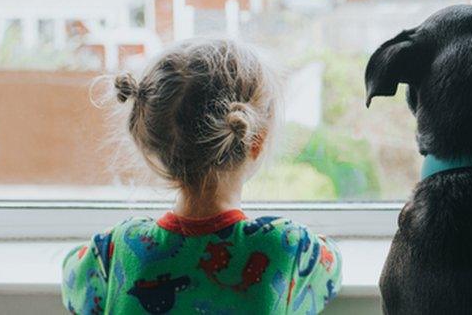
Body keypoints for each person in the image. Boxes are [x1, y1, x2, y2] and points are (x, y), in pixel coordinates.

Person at [61, 38, 341, 314]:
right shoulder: (286, 247)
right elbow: (331, 269)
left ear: (148, 141)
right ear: (256, 141)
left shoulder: (117, 250)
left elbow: (72, 280)